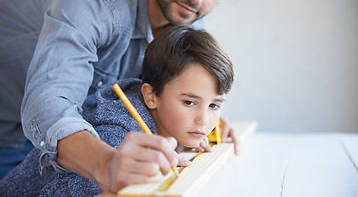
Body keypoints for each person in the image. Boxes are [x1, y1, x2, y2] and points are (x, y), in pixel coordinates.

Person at [0, 0, 246, 189]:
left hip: (76, 138)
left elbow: (169, 88)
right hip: (9, 130)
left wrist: (199, 113)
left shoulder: (187, 13)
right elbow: (48, 102)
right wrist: (107, 164)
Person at [0, 26, 234, 196]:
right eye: (189, 103)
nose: (204, 120)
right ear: (151, 96)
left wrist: (183, 143)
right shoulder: (116, 134)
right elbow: (54, 192)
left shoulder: (168, 120)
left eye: (214, 105)